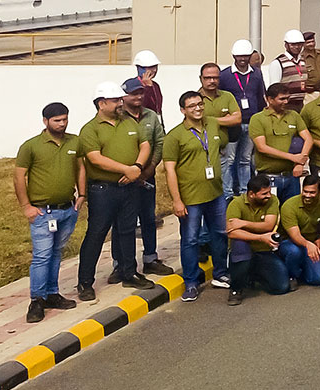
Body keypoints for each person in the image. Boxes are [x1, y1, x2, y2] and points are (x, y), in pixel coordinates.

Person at [74, 82, 152, 299]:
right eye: (116, 100)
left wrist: (136, 167)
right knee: (97, 233)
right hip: (103, 190)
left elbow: (145, 145)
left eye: (120, 100)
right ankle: (85, 282)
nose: (120, 103)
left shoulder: (128, 121)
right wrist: (126, 169)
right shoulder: (90, 129)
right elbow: (95, 158)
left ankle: (129, 272)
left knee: (127, 231)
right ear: (101, 104)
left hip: (129, 187)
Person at [16, 102, 82, 321]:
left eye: (65, 119)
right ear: (45, 121)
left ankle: (52, 293)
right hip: (43, 213)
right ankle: (37, 300)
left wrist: (81, 195)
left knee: (56, 253)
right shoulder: (31, 146)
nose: (62, 124)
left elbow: (80, 167)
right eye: (57, 120)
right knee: (42, 256)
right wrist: (27, 207)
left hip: (67, 209)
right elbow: (19, 177)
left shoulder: (74, 141)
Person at [162, 91, 229, 302]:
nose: (198, 108)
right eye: (192, 106)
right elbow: (169, 170)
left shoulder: (213, 125)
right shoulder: (175, 136)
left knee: (220, 233)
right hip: (190, 198)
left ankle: (220, 273)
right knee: (190, 240)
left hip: (215, 193)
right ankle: (190, 282)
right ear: (183, 110)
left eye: (200, 104)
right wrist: (176, 200)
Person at [118, 78, 173, 278]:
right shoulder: (118, 117)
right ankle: (121, 264)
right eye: (134, 93)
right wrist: (128, 171)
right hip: (123, 179)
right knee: (124, 222)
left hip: (147, 177)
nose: (139, 97)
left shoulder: (150, 116)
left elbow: (159, 142)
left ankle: (150, 258)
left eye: (141, 93)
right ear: (123, 96)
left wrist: (150, 169)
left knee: (148, 218)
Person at [225, 175, 289, 305]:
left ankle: (254, 274)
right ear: (251, 194)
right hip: (244, 250)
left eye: (269, 192)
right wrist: (260, 237)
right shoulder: (235, 204)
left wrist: (243, 223)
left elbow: (268, 225)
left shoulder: (273, 200)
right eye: (264, 193)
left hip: (264, 250)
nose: (268, 196)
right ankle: (236, 289)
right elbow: (232, 232)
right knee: (241, 246)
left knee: (281, 287)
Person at [218, 39, 266, 198]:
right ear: (233, 56)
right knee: (229, 160)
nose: (243, 59)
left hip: (251, 123)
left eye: (245, 55)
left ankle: (246, 191)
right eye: (239, 56)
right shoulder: (224, 75)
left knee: (245, 159)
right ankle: (228, 193)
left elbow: (260, 97)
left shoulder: (257, 74)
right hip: (233, 125)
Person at [277, 175, 320, 288]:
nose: (307, 195)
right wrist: (308, 245)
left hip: (311, 242)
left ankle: (305, 269)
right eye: (305, 191)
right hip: (290, 242)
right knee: (294, 252)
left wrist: (319, 239)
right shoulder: (289, 206)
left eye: (312, 192)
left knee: (318, 279)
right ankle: (292, 275)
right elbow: (294, 235)